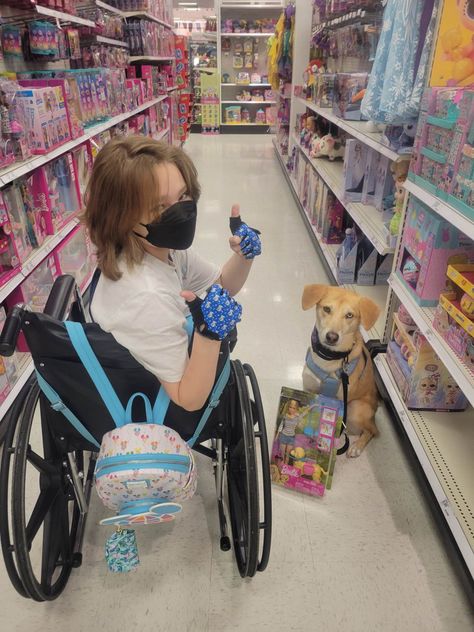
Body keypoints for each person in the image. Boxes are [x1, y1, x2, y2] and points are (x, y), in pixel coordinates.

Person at [83, 136, 261, 412]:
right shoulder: (146, 295)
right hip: (158, 405)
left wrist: (244, 256)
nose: (180, 212)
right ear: (122, 217)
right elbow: (188, 399)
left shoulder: (162, 249)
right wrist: (209, 334)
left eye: (182, 197)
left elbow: (223, 283)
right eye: (160, 207)